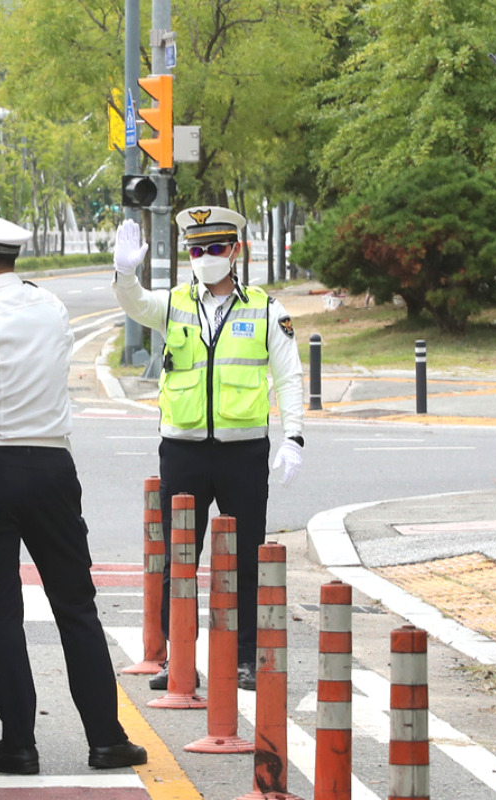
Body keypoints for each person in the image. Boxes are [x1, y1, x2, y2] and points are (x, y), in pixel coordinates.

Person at [0, 208, 147, 775]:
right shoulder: (51, 307)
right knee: (75, 604)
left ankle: (18, 744)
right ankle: (106, 739)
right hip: (50, 466)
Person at [111, 207, 305, 692]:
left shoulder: (265, 309)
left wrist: (294, 437)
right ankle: (176, 659)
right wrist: (125, 272)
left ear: (235, 251)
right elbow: (135, 305)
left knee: (244, 560)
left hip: (242, 452)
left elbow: (288, 375)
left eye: (216, 248)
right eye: (196, 250)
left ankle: (242, 658)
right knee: (180, 559)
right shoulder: (174, 304)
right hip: (183, 450)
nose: (205, 258)